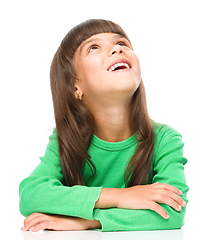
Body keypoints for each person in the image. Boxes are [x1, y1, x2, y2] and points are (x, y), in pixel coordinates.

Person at [19, 19, 189, 232]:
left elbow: (172, 212)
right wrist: (121, 197)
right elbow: (31, 195)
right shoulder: (66, 140)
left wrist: (88, 221)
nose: (117, 49)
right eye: (94, 47)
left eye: (122, 44)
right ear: (75, 86)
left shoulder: (165, 139)